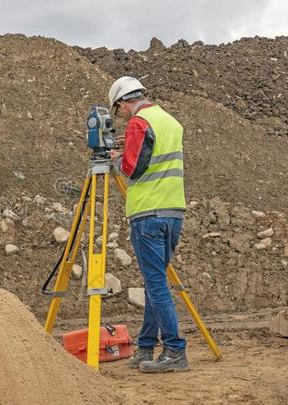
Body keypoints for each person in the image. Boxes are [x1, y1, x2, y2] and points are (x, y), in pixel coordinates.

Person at [107, 76, 189, 373]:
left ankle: (175, 352)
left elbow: (133, 169)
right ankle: (144, 348)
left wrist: (117, 157)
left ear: (122, 102)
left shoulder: (139, 123)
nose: (121, 116)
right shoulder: (169, 121)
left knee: (156, 285)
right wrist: (127, 143)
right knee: (155, 284)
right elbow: (156, 157)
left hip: (148, 214)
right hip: (173, 212)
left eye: (119, 111)